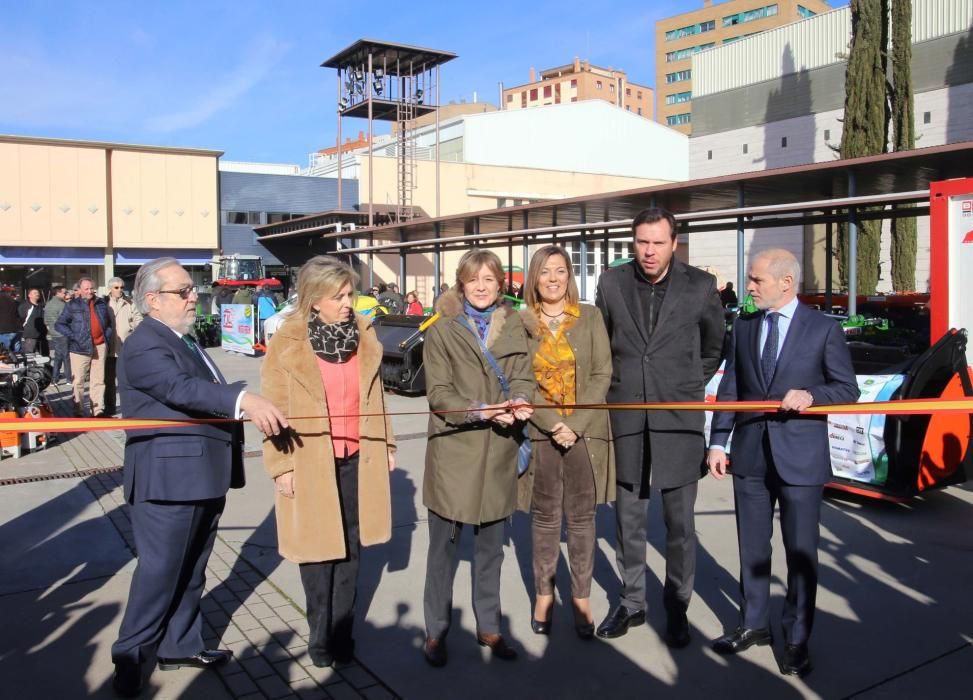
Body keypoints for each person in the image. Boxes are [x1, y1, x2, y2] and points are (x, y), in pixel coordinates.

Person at [110, 257, 287, 698]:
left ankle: (180, 646)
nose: (194, 297)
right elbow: (181, 390)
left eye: (192, 289)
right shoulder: (145, 344)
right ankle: (130, 656)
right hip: (168, 483)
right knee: (160, 572)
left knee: (191, 570)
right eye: (183, 291)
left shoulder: (183, 340)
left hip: (201, 475)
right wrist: (244, 399)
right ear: (152, 300)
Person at [707, 249, 858, 678]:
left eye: (756, 280)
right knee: (752, 547)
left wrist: (812, 396)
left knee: (800, 552)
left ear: (785, 283)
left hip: (800, 460)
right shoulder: (745, 325)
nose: (748, 287)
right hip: (752, 454)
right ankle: (754, 623)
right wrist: (719, 442)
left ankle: (796, 637)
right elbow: (732, 388)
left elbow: (846, 389)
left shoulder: (824, 330)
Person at [594, 207, 724, 647]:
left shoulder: (701, 287)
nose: (648, 252)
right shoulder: (612, 283)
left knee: (679, 525)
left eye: (657, 243)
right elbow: (604, 344)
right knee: (628, 519)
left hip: (677, 420)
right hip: (626, 417)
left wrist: (683, 385)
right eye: (641, 243)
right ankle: (631, 602)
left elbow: (713, 348)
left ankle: (677, 607)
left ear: (674, 243)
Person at [261, 256, 395, 668]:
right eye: (338, 296)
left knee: (351, 551)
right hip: (309, 461)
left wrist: (386, 443)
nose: (347, 303)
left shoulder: (365, 337)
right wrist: (281, 467)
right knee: (318, 553)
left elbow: (376, 398)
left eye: (350, 294)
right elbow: (273, 409)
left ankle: (342, 633)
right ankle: (319, 637)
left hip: (357, 458)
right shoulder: (288, 342)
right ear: (314, 300)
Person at [421, 248, 534, 667]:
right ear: (461, 284)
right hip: (455, 458)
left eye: (489, 279)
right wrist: (482, 409)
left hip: (500, 456)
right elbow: (439, 394)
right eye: (474, 280)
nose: (482, 287)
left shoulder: (515, 328)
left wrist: (521, 399)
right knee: (443, 554)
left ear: (500, 283)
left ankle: (490, 626)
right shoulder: (443, 329)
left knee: (491, 552)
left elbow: (523, 375)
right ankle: (435, 632)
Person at [517, 245, 613, 640]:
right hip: (542, 431)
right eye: (545, 272)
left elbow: (602, 373)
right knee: (544, 517)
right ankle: (543, 593)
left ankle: (581, 596)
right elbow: (520, 381)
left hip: (584, 431)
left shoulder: (589, 316)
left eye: (560, 271)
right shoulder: (520, 322)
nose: (553, 279)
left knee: (582, 517)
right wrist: (553, 423)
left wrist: (575, 423)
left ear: (570, 276)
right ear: (534, 279)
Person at [55, 277, 114, 417]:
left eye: (91, 288)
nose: (90, 291)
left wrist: (107, 335)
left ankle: (98, 410)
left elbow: (109, 323)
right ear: (79, 290)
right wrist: (74, 336)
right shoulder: (72, 305)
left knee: (98, 381)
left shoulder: (101, 303)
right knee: (78, 381)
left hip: (99, 345)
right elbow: (59, 324)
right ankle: (79, 411)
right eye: (86, 289)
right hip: (79, 348)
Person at [105, 277, 142, 415]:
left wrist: (134, 332)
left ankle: (130, 408)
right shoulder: (103, 302)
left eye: (121, 287)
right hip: (108, 349)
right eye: (116, 287)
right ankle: (110, 408)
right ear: (110, 289)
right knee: (108, 382)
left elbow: (138, 319)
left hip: (125, 348)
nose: (120, 290)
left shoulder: (130, 302)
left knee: (126, 381)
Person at [44, 286, 72, 383]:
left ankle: (54, 379)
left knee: (58, 356)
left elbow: (46, 321)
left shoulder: (48, 304)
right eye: (64, 292)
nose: (66, 294)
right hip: (63, 333)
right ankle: (69, 379)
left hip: (54, 333)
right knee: (66, 357)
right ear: (58, 293)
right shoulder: (62, 305)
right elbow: (68, 319)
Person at [18, 288, 45, 354]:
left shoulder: (41, 306)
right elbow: (20, 318)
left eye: (38, 293)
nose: (37, 294)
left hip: (41, 334)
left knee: (42, 355)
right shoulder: (25, 306)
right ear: (29, 295)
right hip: (30, 334)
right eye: (35, 293)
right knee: (29, 353)